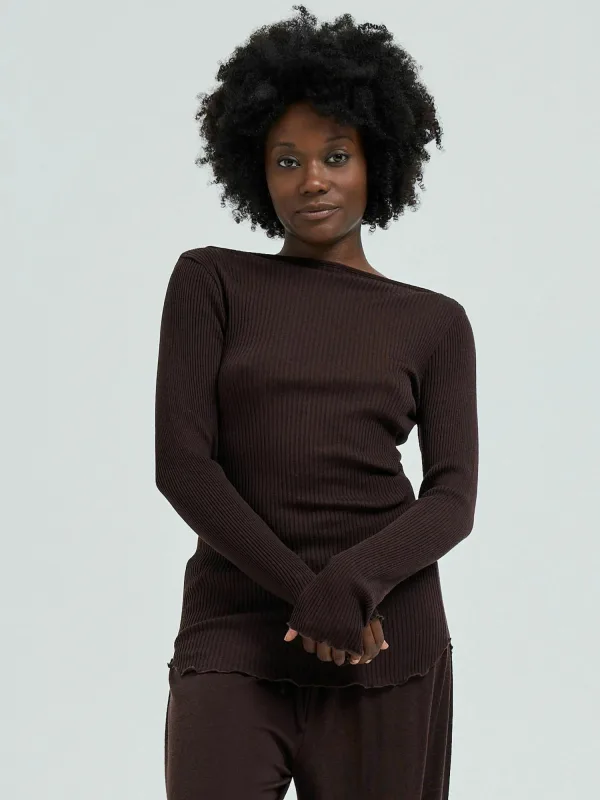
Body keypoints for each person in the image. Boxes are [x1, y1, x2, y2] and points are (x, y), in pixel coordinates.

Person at [154, 5, 479, 799]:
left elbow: (452, 499)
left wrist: (352, 587)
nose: (313, 181)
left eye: (335, 155)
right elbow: (183, 466)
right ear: (256, 172)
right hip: (236, 630)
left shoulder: (434, 322)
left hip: (386, 640)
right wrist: (313, 595)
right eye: (286, 161)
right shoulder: (211, 282)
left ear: (376, 160)